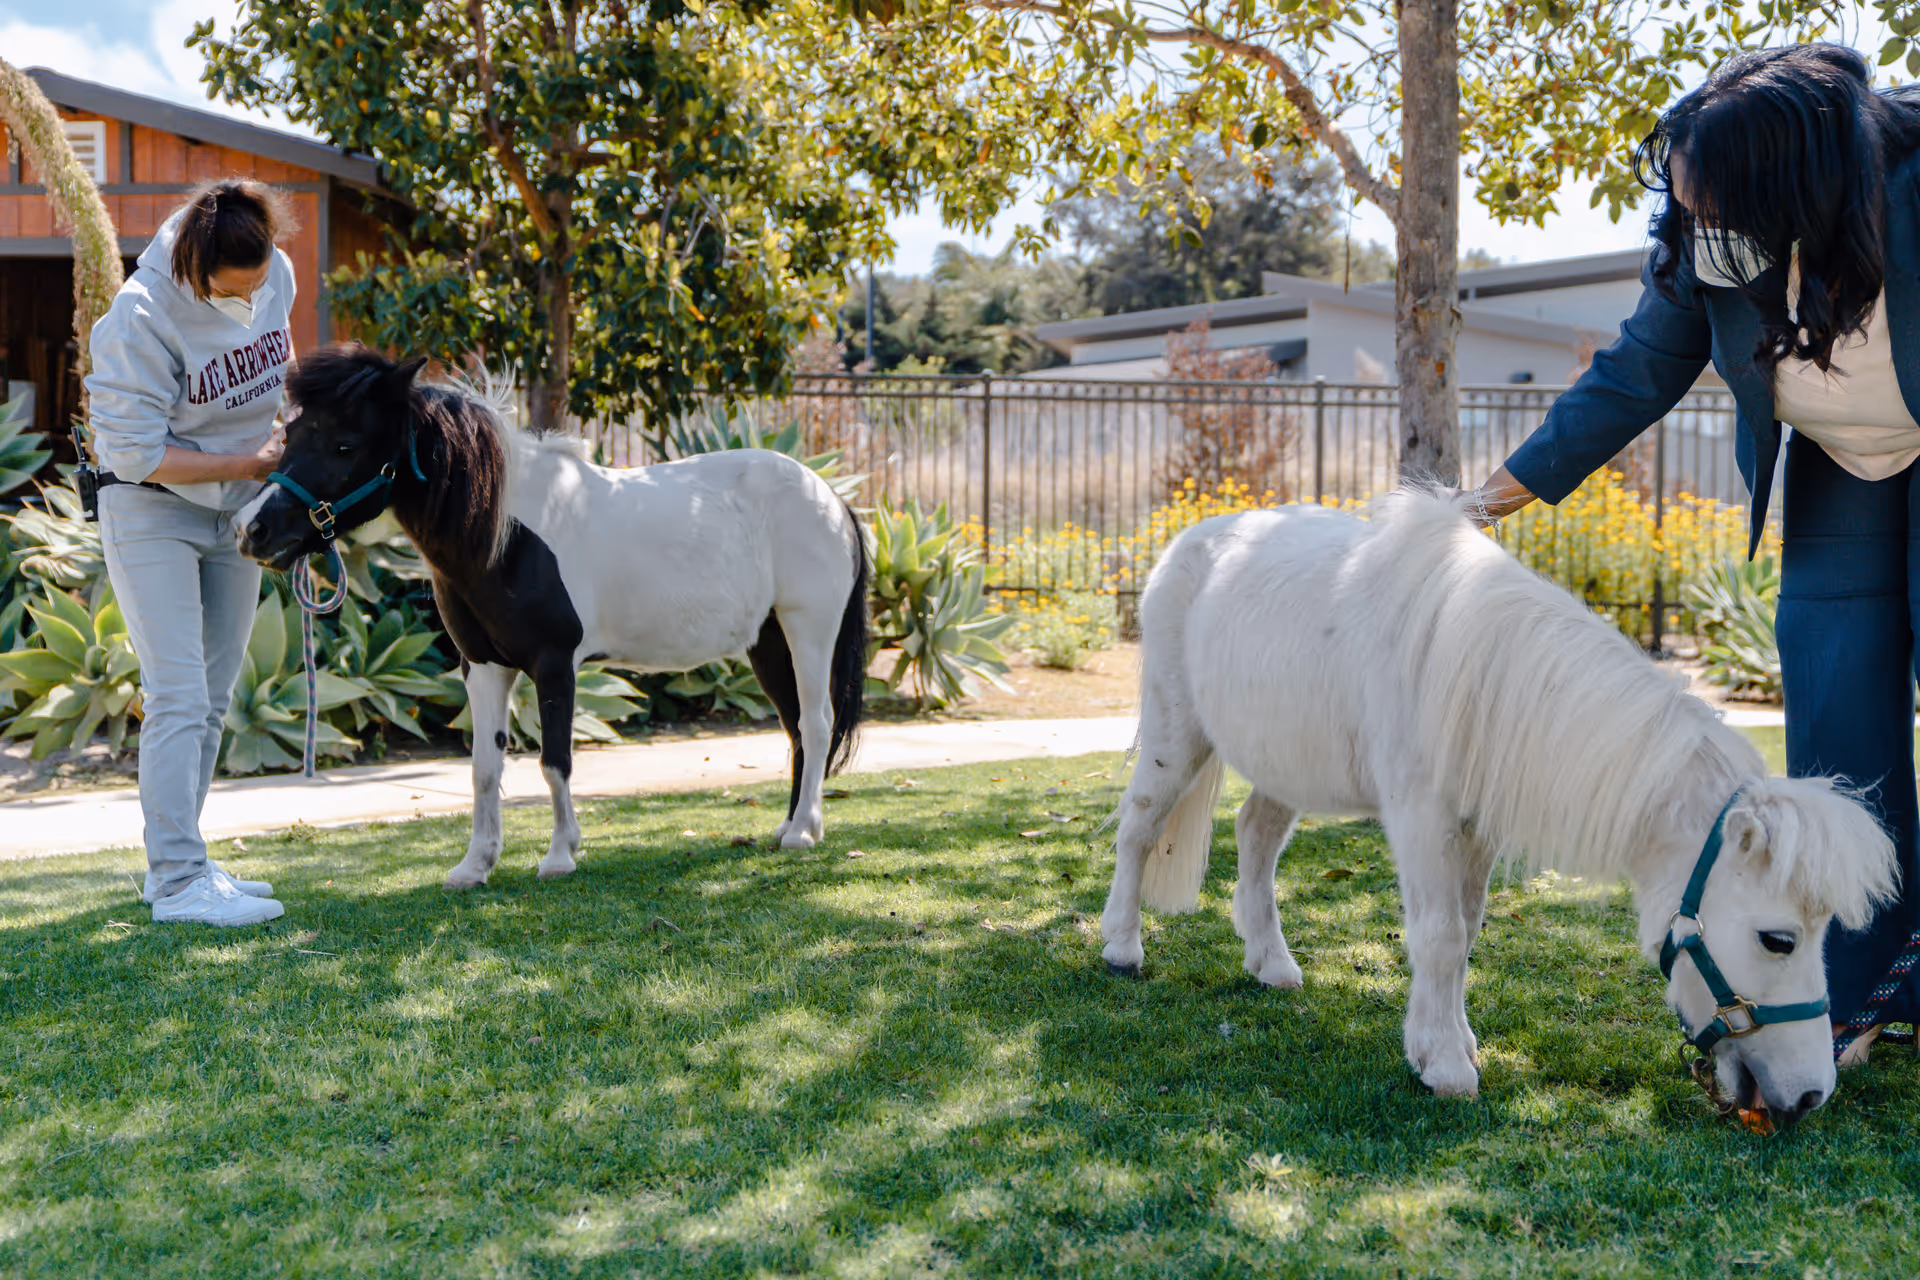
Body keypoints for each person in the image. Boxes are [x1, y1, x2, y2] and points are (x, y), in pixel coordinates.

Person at [1465, 43, 1920, 1065]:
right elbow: (1636, 372)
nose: (1695, 217)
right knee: (1836, 713)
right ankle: (1867, 990)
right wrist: (1482, 505)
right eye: (1685, 196)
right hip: (1847, 463)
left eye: (1718, 199)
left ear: (1798, 178)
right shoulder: (1701, 236)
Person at [87, 178, 296, 926]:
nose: (249, 301)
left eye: (258, 284)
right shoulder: (137, 319)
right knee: (176, 692)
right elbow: (138, 454)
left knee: (211, 700)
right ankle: (176, 884)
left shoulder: (278, 275)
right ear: (190, 268)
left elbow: (279, 377)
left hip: (236, 515)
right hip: (151, 511)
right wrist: (248, 462)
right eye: (228, 292)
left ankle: (187, 864)